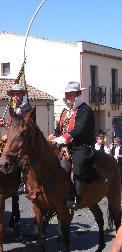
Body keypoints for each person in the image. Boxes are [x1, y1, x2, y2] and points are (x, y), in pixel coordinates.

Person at [49, 81, 98, 210]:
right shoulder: (65, 111)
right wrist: (51, 137)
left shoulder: (85, 110)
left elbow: (78, 131)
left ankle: (77, 197)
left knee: (79, 166)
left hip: (82, 145)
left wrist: (61, 139)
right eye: (67, 95)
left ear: (78, 95)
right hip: (67, 145)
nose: (67, 97)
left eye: (70, 95)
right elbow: (59, 130)